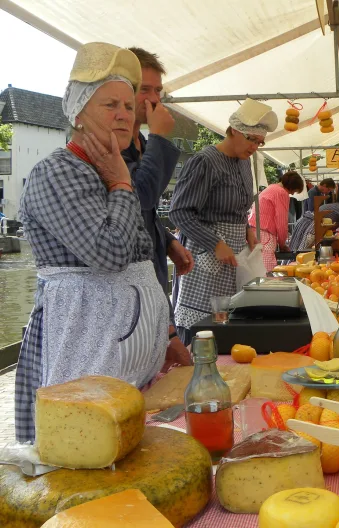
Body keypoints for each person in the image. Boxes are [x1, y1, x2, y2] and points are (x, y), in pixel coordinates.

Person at [15, 43, 169, 442]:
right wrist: (120, 183)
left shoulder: (109, 166)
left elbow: (141, 253)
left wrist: (163, 336)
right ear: (79, 114)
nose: (123, 113)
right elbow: (110, 253)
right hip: (83, 351)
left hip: (122, 361)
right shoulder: (57, 172)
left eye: (127, 105)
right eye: (109, 105)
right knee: (85, 447)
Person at [169, 98, 277, 342]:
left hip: (235, 255)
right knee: (203, 329)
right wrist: (215, 243)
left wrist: (247, 228)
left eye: (260, 142)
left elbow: (240, 209)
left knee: (231, 323)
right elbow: (180, 211)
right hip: (205, 257)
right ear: (234, 130)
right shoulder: (205, 161)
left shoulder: (244, 164)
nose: (255, 147)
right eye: (251, 139)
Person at [122, 47, 193, 371]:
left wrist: (168, 242)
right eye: (145, 90)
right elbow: (141, 198)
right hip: (125, 305)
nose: (153, 100)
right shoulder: (112, 147)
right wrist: (161, 136)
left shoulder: (140, 145)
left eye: (157, 91)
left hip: (151, 291)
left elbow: (144, 215)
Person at [249, 170, 304, 271]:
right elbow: (282, 221)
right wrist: (282, 243)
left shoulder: (271, 188)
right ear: (291, 186)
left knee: (256, 268)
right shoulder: (281, 193)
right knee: (268, 271)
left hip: (252, 231)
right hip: (265, 234)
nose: (292, 194)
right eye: (294, 191)